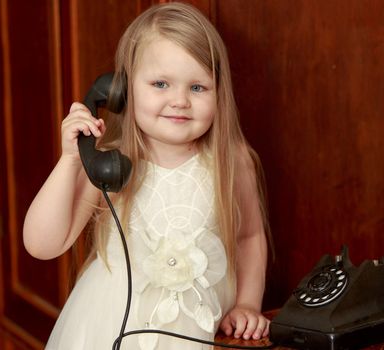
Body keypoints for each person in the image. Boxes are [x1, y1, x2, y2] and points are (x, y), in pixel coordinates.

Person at [23, 2, 271, 349]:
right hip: (112, 327)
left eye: (197, 87)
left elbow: (249, 237)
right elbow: (42, 244)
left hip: (199, 329)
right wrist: (70, 160)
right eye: (160, 84)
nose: (180, 101)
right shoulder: (110, 160)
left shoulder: (231, 161)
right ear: (122, 90)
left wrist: (247, 303)